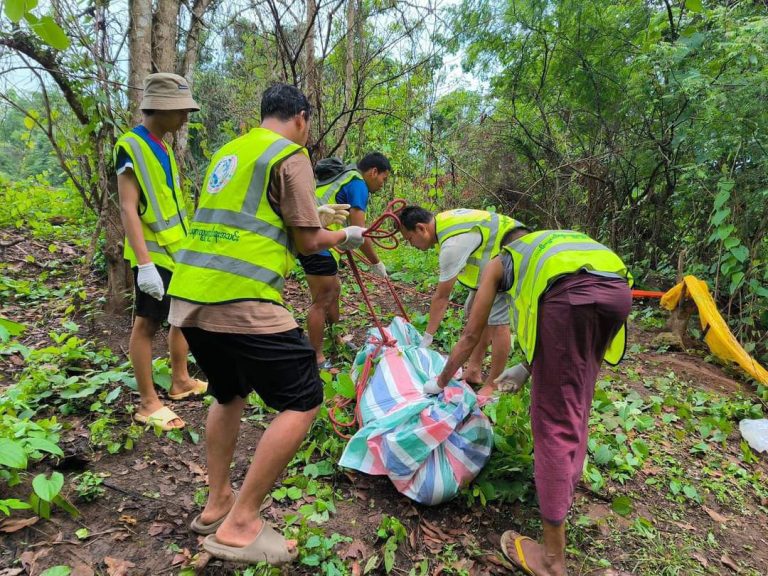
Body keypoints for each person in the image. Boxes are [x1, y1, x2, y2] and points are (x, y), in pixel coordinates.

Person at [166, 84, 365, 565]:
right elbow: (306, 240)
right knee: (303, 398)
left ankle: (217, 504)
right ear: (300, 117)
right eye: (309, 125)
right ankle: (241, 522)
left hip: (190, 296)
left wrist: (314, 214)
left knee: (228, 392)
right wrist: (345, 234)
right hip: (242, 296)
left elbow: (246, 217)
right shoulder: (290, 154)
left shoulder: (229, 152)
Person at [427, 228, 633, 576]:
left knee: (552, 420)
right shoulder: (546, 246)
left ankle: (552, 560)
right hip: (616, 292)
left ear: (502, 248)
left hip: (572, 299)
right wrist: (527, 366)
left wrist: (439, 381)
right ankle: (566, 484)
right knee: (577, 400)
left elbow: (471, 335)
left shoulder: (497, 263)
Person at [115, 72, 207, 432]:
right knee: (146, 324)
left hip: (175, 252)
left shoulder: (163, 146)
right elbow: (128, 208)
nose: (185, 117)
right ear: (161, 109)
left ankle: (180, 381)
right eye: (181, 110)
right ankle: (148, 402)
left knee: (180, 316)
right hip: (152, 255)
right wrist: (144, 264)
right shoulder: (131, 146)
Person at [399, 206, 526, 395]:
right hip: (499, 256)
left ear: (421, 228)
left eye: (410, 239)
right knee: (473, 310)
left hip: (515, 256)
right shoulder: (442, 223)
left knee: (498, 322)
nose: (412, 244)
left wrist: (427, 339)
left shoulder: (452, 245)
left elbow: (442, 297)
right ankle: (473, 370)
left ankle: (492, 385)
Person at [298, 152, 392, 368]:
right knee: (321, 300)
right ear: (373, 171)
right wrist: (375, 262)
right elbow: (361, 232)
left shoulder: (339, 179)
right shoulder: (357, 182)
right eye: (383, 178)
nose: (382, 184)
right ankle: (317, 357)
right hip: (317, 243)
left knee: (334, 290)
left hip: (315, 241)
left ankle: (336, 339)